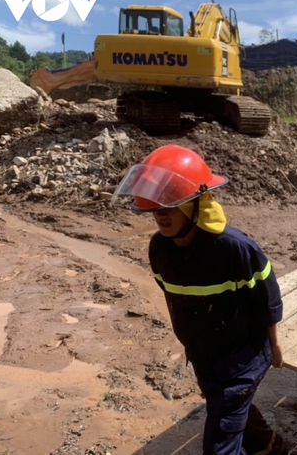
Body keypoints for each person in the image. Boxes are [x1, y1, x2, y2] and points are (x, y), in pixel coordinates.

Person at [113, 145, 286, 455]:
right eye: (154, 209)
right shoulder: (160, 250)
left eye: (169, 206)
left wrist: (274, 344)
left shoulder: (234, 248)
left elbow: (267, 298)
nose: (160, 216)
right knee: (226, 409)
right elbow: (176, 301)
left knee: (220, 445)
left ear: (196, 204)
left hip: (241, 359)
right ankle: (271, 447)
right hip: (204, 356)